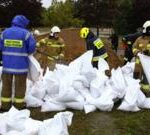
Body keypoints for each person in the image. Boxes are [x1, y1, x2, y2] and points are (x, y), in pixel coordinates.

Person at [0, 15, 36, 111]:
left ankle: (5, 105)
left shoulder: (4, 33)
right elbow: (31, 48)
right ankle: (18, 106)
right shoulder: (26, 34)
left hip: (7, 66)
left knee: (6, 86)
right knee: (20, 86)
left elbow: (1, 47)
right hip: (21, 66)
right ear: (23, 23)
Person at [132, 20, 150, 93]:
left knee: (146, 80)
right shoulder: (139, 39)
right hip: (138, 65)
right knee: (136, 79)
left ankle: (146, 93)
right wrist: (137, 52)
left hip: (148, 65)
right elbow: (133, 47)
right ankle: (135, 93)